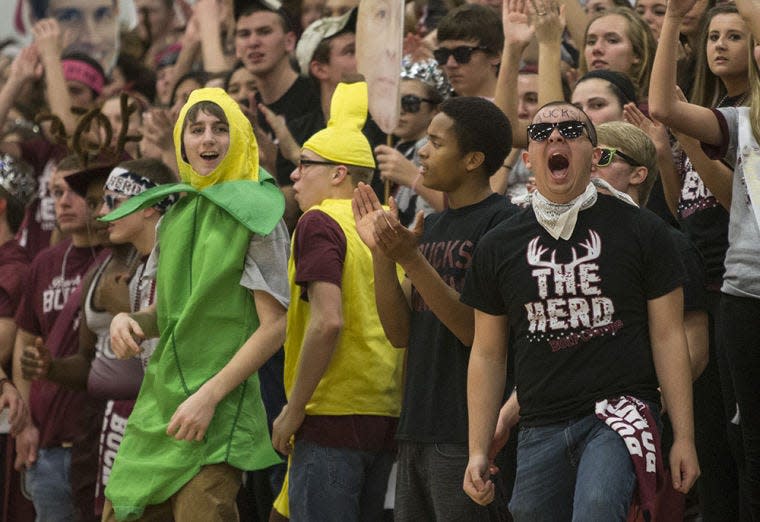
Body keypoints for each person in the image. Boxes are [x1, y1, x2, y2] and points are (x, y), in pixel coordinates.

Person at [462, 102, 699, 521]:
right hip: (539, 422)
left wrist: (684, 436)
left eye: (571, 130)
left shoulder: (644, 231)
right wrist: (477, 448)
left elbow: (668, 337)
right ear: (526, 157)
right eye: (542, 133)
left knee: (596, 507)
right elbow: (487, 353)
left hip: (622, 412)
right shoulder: (498, 245)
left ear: (594, 154)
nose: (555, 138)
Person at [100, 87, 287, 521]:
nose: (207, 140)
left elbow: (274, 326)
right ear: (181, 141)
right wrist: (130, 321)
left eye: (220, 129)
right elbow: (167, 317)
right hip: (157, 407)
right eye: (196, 129)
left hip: (215, 412)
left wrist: (208, 397)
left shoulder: (260, 212)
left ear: (239, 136)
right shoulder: (176, 216)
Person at [352, 96, 516, 520]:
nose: (422, 152)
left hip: (467, 431)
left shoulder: (504, 225)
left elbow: (472, 330)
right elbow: (400, 333)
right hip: (416, 425)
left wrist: (410, 259)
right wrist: (383, 254)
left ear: (473, 159)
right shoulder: (432, 226)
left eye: (436, 143)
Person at [271, 79, 403, 521]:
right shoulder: (387, 223)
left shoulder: (319, 222)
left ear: (338, 173)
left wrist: (292, 412)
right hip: (386, 415)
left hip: (329, 416)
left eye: (304, 164)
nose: (293, 174)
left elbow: (328, 322)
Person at [649, 0, 760, 517]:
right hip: (717, 288)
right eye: (713, 36)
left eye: (734, 36)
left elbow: (734, 198)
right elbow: (684, 210)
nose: (719, 45)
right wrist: (668, 152)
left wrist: (691, 145)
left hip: (731, 284)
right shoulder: (723, 112)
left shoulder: (745, 116)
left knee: (739, 442)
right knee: (720, 439)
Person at [11, 155, 108, 521]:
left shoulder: (121, 258)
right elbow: (24, 342)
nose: (62, 202)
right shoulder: (44, 263)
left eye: (73, 191)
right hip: (48, 445)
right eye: (54, 193)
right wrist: (25, 424)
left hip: (102, 440)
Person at [434, 4, 503, 98]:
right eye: (443, 55)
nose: (450, 64)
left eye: (462, 53)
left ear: (495, 55)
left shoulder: (520, 109)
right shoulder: (440, 109)